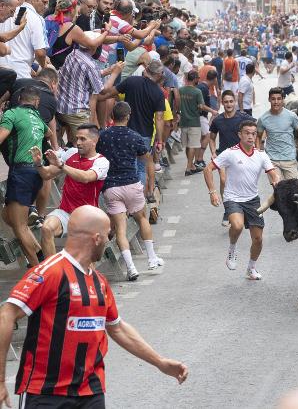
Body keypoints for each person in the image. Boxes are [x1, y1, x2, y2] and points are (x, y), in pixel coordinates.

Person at [0, 205, 188, 408]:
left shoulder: (99, 282)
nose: (109, 240)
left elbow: (117, 327)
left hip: (91, 391)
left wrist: (159, 362)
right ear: (97, 238)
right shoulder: (50, 273)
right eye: (107, 235)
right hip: (46, 393)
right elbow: (6, 316)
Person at [203, 120, 280, 279]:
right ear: (240, 134)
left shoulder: (261, 155)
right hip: (233, 198)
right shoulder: (230, 153)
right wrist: (213, 192)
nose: (251, 137)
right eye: (247, 133)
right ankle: (232, 249)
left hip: (253, 200)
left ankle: (251, 268)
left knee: (258, 239)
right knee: (237, 226)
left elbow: (272, 173)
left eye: (253, 133)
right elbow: (208, 169)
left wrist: (276, 183)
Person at [97, 102, 163, 280]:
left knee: (120, 228)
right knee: (142, 218)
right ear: (128, 116)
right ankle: (151, 258)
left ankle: (131, 267)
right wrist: (149, 184)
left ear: (112, 116)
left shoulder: (102, 136)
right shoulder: (135, 137)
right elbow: (147, 160)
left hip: (111, 187)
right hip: (132, 184)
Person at [30, 124, 109, 258]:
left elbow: (86, 177)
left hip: (87, 216)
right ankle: (53, 272)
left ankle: (88, 277)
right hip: (65, 212)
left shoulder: (102, 162)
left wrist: (61, 165)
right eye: (77, 138)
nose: (78, 143)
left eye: (83, 139)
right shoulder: (71, 154)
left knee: (85, 260)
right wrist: (38, 164)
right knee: (46, 228)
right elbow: (47, 175)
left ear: (94, 141)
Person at [100, 60, 166, 201]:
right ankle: (137, 199)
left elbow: (109, 93)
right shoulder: (158, 93)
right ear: (159, 74)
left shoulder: (131, 82)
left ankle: (123, 197)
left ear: (147, 69)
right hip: (145, 134)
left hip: (125, 131)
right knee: (141, 168)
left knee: (126, 165)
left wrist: (97, 99)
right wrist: (159, 140)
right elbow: (159, 119)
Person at [0, 87, 50, 266]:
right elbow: (49, 133)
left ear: (19, 99)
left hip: (21, 172)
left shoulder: (12, 113)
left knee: (20, 226)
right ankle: (39, 252)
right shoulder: (37, 118)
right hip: (36, 173)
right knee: (8, 216)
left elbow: (1, 136)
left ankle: (38, 268)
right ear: (37, 102)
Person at [209, 90, 255, 227]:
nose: (229, 104)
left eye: (231, 101)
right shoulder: (218, 120)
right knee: (224, 180)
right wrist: (213, 152)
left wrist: (254, 147)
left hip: (240, 156)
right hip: (224, 156)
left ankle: (243, 208)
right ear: (222, 103)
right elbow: (211, 138)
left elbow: (255, 129)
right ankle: (228, 209)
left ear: (234, 102)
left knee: (241, 182)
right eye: (226, 102)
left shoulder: (243, 117)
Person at [257, 87, 298, 180]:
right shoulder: (263, 118)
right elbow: (258, 136)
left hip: (290, 160)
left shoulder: (291, 116)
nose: (276, 102)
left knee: (293, 189)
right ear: (269, 99)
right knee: (278, 189)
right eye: (273, 99)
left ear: (283, 100)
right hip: (272, 161)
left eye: (279, 99)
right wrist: (258, 153)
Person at [1, 0, 49, 79]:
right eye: (44, 2)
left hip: (4, 72)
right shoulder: (36, 18)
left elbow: (4, 38)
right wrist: (44, 68)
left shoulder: (10, 11)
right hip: (20, 74)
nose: (46, 6)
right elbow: (40, 53)